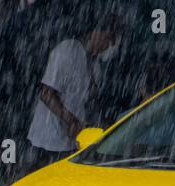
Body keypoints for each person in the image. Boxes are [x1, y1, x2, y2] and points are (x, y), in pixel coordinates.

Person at [21, 13, 122, 176]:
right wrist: (72, 122)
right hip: (48, 142)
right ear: (96, 32)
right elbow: (46, 93)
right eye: (109, 40)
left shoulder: (96, 66)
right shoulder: (67, 50)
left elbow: (90, 100)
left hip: (73, 144)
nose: (110, 46)